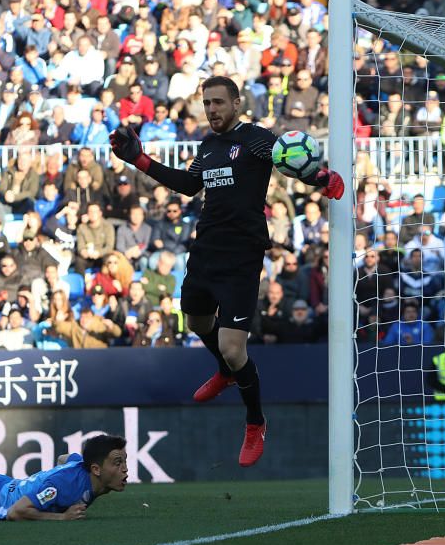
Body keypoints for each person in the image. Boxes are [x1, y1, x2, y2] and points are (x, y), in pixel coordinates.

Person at [109, 75, 344, 467]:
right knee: (197, 322)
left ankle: (255, 421)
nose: (212, 110)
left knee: (235, 347)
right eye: (208, 103)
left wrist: (321, 179)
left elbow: (291, 159)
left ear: (237, 104)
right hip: (205, 251)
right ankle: (225, 371)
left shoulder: (256, 139)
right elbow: (187, 185)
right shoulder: (209, 145)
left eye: (219, 102)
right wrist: (139, 158)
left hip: (242, 255)